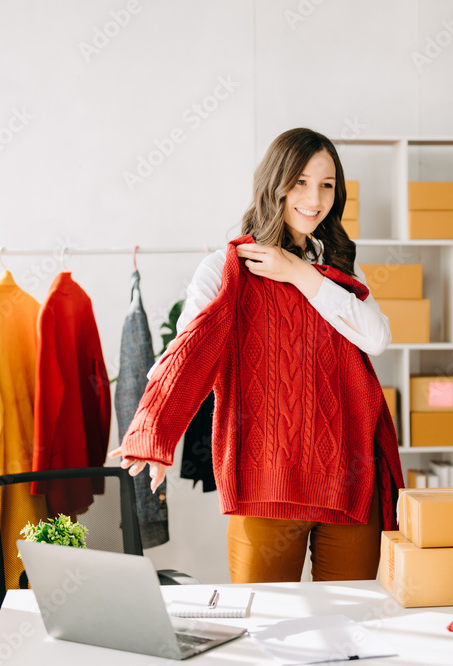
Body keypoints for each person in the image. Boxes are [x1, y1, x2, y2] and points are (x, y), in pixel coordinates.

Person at [109, 127, 403, 583]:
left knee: (351, 630)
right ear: (276, 183)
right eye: (301, 182)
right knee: (268, 635)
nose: (315, 197)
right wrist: (154, 432)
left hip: (348, 482)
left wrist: (300, 274)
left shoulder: (339, 268)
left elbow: (377, 337)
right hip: (266, 485)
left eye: (327, 185)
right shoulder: (227, 270)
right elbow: (186, 352)